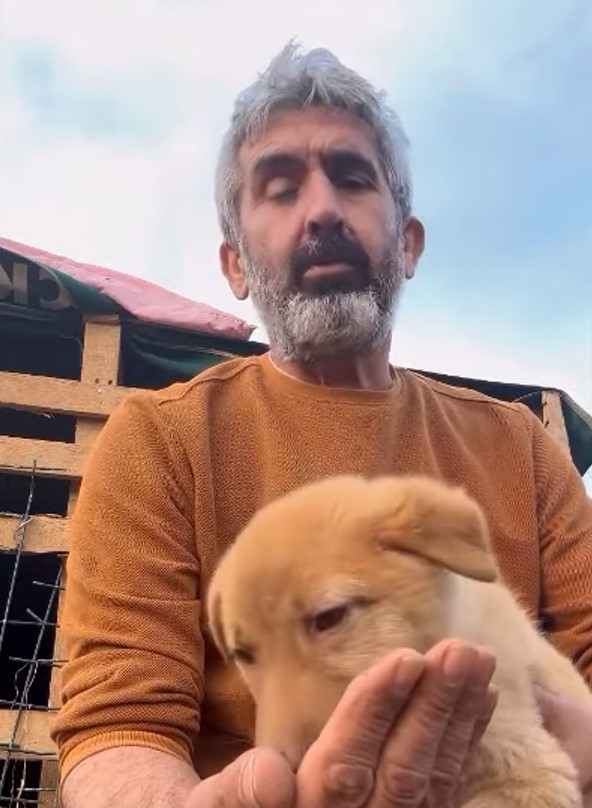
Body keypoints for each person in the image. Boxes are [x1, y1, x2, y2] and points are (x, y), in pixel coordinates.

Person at [51, 41, 592, 808]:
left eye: (353, 177)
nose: (323, 210)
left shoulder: (522, 452)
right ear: (235, 264)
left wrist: (533, 751)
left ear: (407, 243)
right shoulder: (161, 443)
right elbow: (118, 724)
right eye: (279, 187)